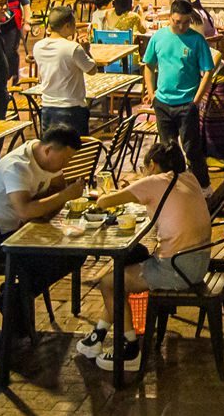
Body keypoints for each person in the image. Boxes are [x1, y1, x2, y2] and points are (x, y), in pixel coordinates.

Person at [75, 142, 211, 373]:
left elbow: (103, 202)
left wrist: (132, 188)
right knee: (123, 271)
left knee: (110, 283)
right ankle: (97, 335)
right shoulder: (190, 177)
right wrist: (137, 189)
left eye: (145, 167)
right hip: (198, 262)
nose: (145, 172)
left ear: (153, 165)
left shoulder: (155, 182)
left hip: (176, 269)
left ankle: (129, 350)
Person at [0, 127, 85, 338]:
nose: (67, 164)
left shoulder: (48, 161)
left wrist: (57, 198)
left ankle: (12, 298)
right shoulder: (17, 167)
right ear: (49, 150)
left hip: (19, 231)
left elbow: (56, 188)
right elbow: (26, 210)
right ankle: (14, 300)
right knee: (55, 258)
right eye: (66, 158)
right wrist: (65, 196)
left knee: (76, 253)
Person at [140, 0, 215, 186]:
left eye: (185, 22)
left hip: (186, 104)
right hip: (163, 103)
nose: (180, 26)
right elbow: (148, 65)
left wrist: (196, 101)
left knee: (191, 149)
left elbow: (208, 71)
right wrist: (151, 92)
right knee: (168, 149)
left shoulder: (197, 40)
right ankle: (171, 187)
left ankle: (203, 186)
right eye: (176, 22)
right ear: (170, 18)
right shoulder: (158, 37)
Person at [33, 5, 101, 136]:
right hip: (72, 109)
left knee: (52, 150)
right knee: (76, 152)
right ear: (67, 26)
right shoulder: (73, 48)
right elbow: (92, 70)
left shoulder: (38, 46)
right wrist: (86, 49)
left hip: (47, 107)